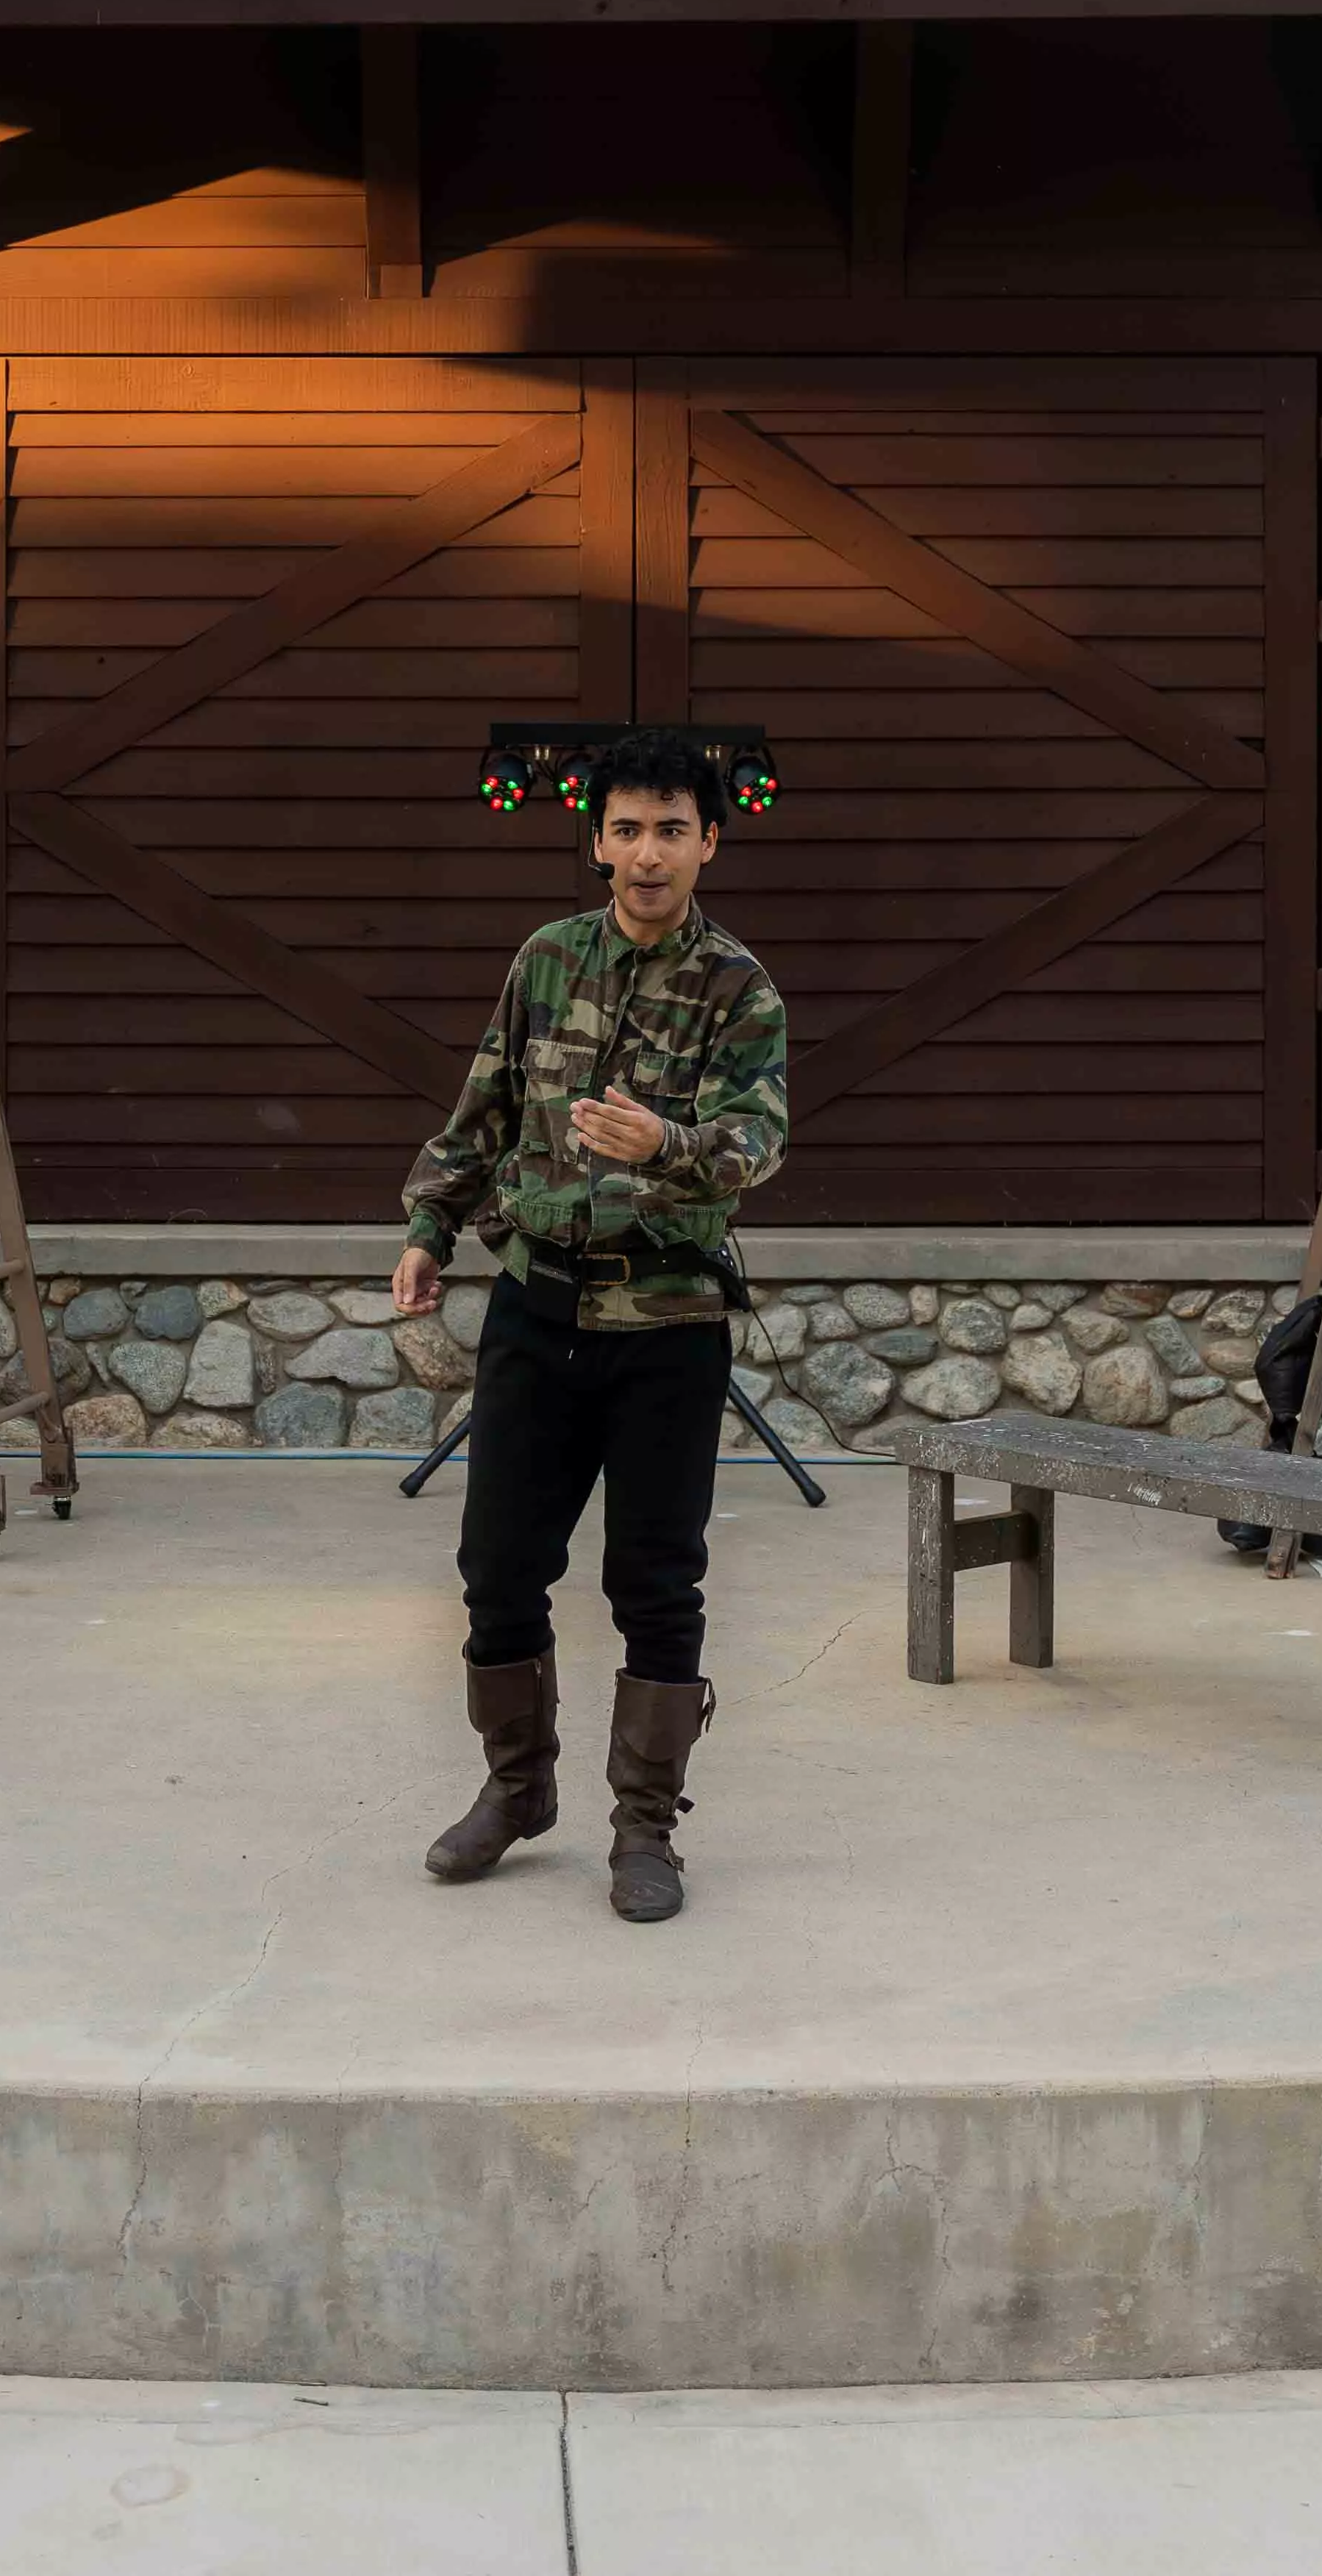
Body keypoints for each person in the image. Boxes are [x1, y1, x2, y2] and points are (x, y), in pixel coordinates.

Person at [393, 730, 788, 1924]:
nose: (647, 849)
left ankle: (644, 1824)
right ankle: (517, 1790)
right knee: (497, 1565)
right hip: (537, 1302)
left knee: (654, 1579)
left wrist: (667, 1143)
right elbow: (484, 1102)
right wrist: (427, 1222)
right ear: (597, 838)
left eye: (672, 826)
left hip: (665, 1319)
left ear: (710, 838)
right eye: (626, 826)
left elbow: (758, 1142)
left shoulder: (738, 989)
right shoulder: (546, 959)